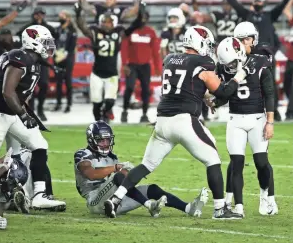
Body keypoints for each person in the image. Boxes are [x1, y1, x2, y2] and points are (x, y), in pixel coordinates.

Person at [103, 25, 256, 220]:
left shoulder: (170, 59)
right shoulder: (203, 62)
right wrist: (239, 76)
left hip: (162, 122)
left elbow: (186, 86)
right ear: (199, 43)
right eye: (207, 44)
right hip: (184, 121)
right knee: (213, 160)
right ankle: (220, 209)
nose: (208, 49)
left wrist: (203, 96)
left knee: (146, 165)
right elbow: (223, 92)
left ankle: (116, 199)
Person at [0, 25, 66, 210]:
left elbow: (20, 95)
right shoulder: (19, 57)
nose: (49, 47)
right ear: (33, 41)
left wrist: (24, 113)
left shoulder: (35, 62)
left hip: (13, 112)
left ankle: (39, 195)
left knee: (40, 145)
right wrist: (24, 115)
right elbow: (8, 92)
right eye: (45, 43)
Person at [74, 120, 209, 217]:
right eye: (101, 140)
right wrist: (117, 168)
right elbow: (91, 174)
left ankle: (188, 208)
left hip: (113, 201)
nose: (105, 144)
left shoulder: (111, 156)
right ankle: (149, 205)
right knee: (118, 176)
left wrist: (132, 174)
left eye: (107, 140)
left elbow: (122, 180)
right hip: (95, 201)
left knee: (152, 189)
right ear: (92, 140)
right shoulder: (82, 154)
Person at [211, 23, 278, 217]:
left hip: (257, 118)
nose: (243, 43)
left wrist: (270, 122)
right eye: (240, 39)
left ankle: (266, 195)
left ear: (253, 40)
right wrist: (214, 101)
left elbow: (270, 93)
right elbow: (225, 94)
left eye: (246, 39)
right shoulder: (225, 63)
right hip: (235, 119)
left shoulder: (259, 61)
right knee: (236, 163)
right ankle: (238, 206)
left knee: (261, 162)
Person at [218, 0, 293, 121]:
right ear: (252, 2)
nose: (257, 2)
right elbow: (235, 4)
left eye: (260, 0)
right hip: (248, 56)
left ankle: (274, 112)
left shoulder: (270, 15)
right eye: (255, 0)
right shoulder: (247, 15)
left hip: (267, 56)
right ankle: (254, 110)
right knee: (252, 83)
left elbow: (282, 5)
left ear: (263, 3)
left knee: (270, 85)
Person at [74, 1, 145, 122]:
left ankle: (105, 116)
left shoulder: (119, 33)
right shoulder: (95, 32)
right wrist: (78, 14)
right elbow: (83, 27)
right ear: (100, 22)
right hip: (97, 73)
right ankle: (98, 122)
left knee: (110, 101)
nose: (107, 24)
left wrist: (141, 11)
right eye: (104, 22)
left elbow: (136, 25)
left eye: (109, 22)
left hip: (112, 74)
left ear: (114, 23)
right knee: (96, 103)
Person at [17, 7, 57, 121]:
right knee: (31, 86)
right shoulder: (27, 28)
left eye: (41, 14)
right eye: (37, 14)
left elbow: (54, 42)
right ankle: (32, 109)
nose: (39, 16)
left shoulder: (48, 28)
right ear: (34, 15)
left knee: (44, 84)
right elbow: (19, 37)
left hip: (42, 60)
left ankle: (40, 109)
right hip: (29, 59)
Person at [120, 11, 161, 123]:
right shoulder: (130, 31)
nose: (142, 20)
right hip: (132, 65)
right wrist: (124, 64)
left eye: (144, 18)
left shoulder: (151, 32)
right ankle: (124, 110)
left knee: (146, 90)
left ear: (147, 20)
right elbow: (124, 48)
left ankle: (144, 114)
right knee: (129, 88)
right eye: (140, 18)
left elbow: (155, 52)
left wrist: (158, 68)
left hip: (145, 66)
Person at [54, 10, 78, 112]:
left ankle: (69, 104)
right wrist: (55, 52)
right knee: (58, 81)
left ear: (67, 18)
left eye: (62, 16)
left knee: (68, 80)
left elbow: (72, 45)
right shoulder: (58, 29)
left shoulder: (72, 30)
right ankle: (58, 103)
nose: (60, 18)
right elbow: (54, 42)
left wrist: (65, 54)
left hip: (68, 57)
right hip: (58, 57)